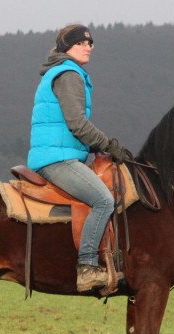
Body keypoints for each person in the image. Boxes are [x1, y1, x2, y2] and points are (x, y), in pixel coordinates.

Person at [27, 24, 132, 292]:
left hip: (63, 154)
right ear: (66, 48)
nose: (88, 47)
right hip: (57, 159)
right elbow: (77, 124)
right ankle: (86, 267)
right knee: (103, 199)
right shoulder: (69, 74)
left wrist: (97, 148)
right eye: (80, 43)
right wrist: (108, 145)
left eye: (90, 43)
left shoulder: (64, 72)